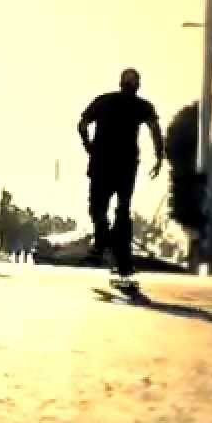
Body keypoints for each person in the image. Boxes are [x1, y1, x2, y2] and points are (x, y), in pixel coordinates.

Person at [77, 68, 164, 287]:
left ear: (120, 83)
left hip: (102, 162)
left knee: (98, 207)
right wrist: (159, 156)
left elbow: (82, 124)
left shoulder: (103, 101)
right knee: (122, 209)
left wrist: (89, 146)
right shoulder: (142, 106)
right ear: (138, 86)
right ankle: (122, 261)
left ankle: (101, 245)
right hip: (126, 165)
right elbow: (155, 131)